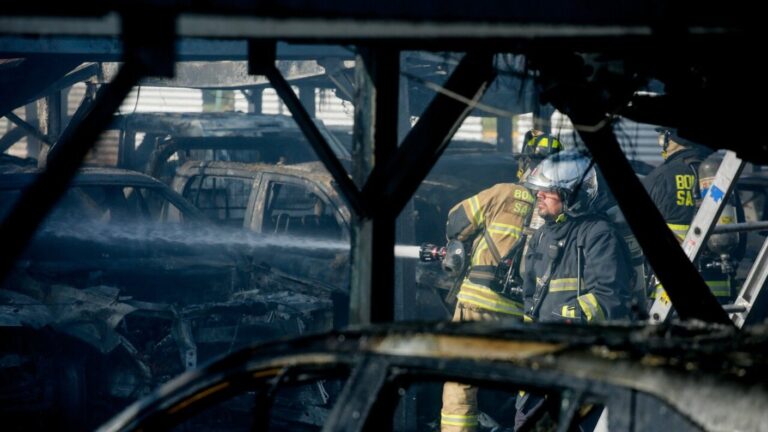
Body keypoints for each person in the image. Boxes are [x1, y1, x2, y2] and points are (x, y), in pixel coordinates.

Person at [440, 131, 562, 432]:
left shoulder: (504, 193)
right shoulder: (560, 207)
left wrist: (463, 245)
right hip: (524, 313)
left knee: (461, 382)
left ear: (524, 164)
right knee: (527, 387)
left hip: (477, 303)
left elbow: (456, 221)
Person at [515, 150, 633, 430]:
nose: (539, 196)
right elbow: (530, 298)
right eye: (538, 190)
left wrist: (564, 320)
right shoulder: (542, 236)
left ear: (572, 195)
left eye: (548, 190)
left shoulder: (598, 234)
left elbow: (609, 297)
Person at [642, 128, 736, 303]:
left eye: (664, 135)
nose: (662, 141)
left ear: (676, 138)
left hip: (668, 296)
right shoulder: (722, 174)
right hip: (720, 285)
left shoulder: (659, 177)